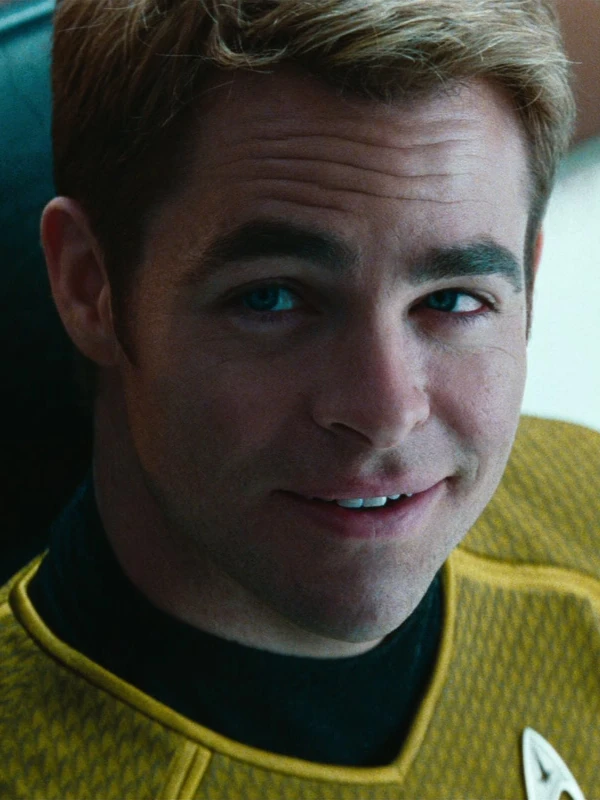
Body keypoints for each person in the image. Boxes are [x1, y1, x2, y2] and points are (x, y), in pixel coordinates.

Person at [1, 0, 599, 797]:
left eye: (453, 300)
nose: (385, 412)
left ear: (529, 280)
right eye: (273, 298)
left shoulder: (586, 511)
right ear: (89, 285)